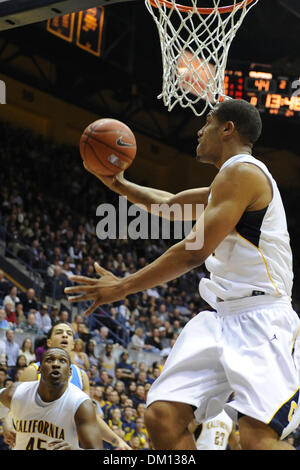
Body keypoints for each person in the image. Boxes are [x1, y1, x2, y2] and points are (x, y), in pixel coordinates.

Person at [65, 99, 300, 450]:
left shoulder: (243, 173)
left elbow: (194, 251)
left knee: (256, 437)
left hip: (262, 319)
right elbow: (170, 205)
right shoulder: (228, 181)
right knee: (162, 417)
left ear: (227, 129)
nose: (199, 131)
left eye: (207, 123)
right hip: (221, 317)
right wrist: (121, 186)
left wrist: (123, 287)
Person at [0, 347, 102, 449]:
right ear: (39, 369)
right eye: (49, 360)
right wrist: (6, 420)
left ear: (70, 371)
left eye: (62, 361)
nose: (56, 364)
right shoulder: (18, 392)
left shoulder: (80, 404)